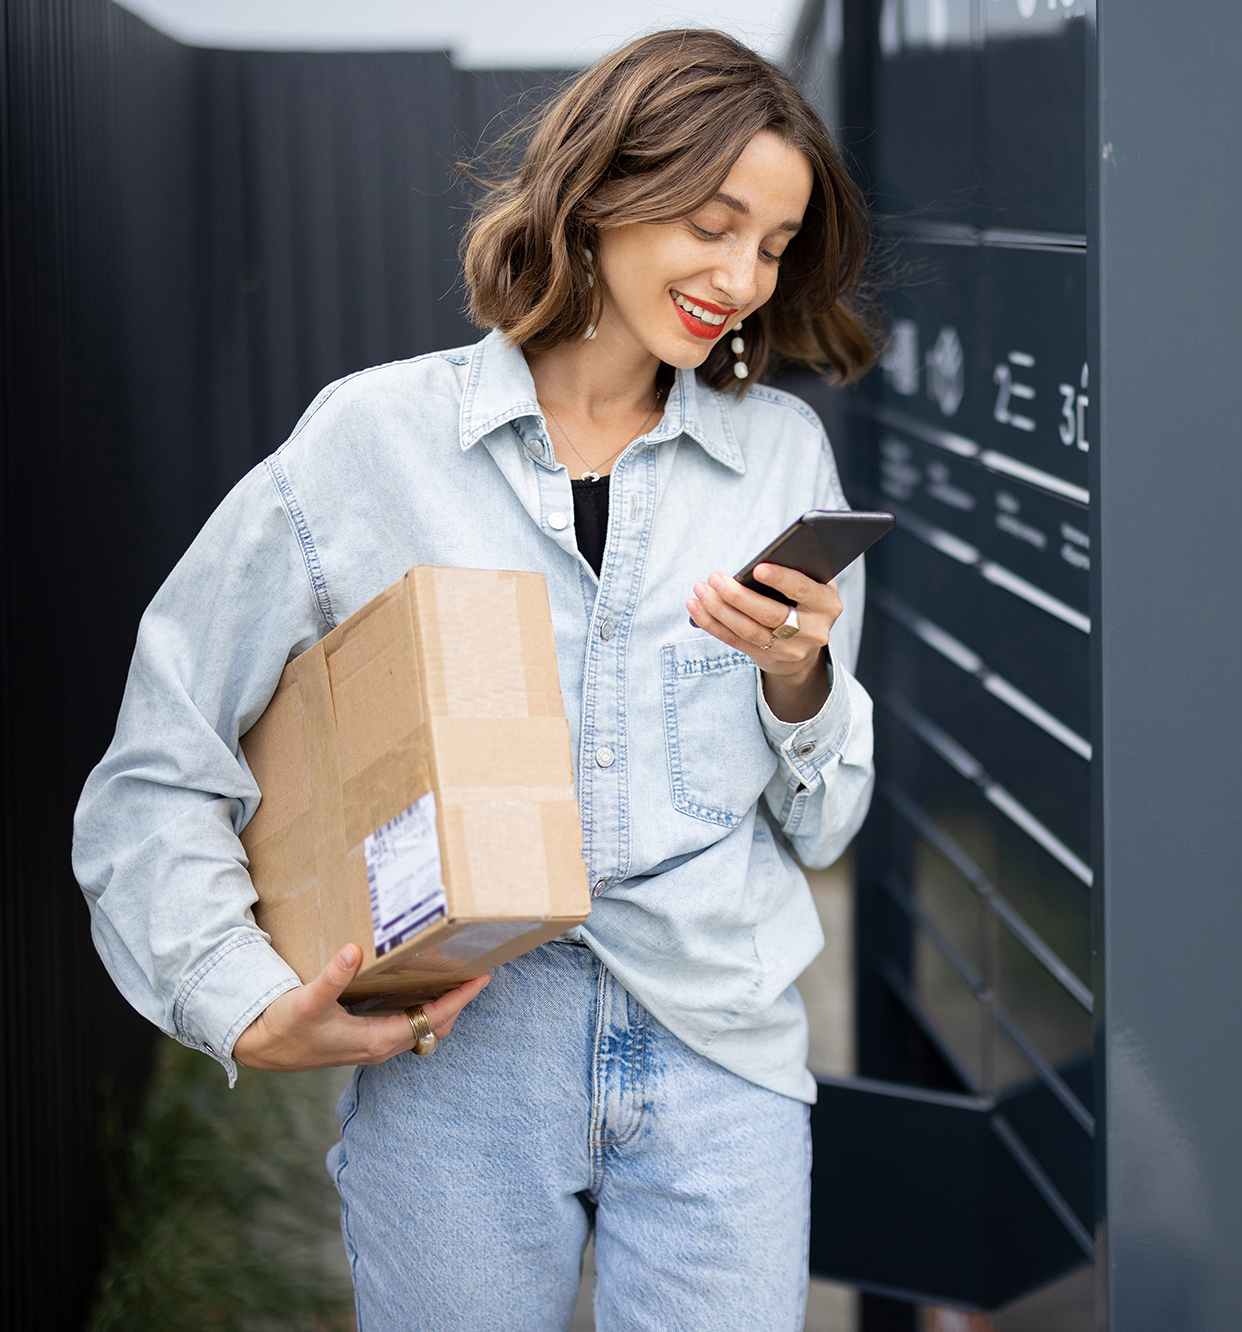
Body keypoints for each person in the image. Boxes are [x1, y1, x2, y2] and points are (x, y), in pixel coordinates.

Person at [72, 29, 876, 1330]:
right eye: (715, 224)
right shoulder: (371, 445)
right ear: (604, 189)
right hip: (460, 1056)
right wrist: (244, 1005)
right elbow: (158, 772)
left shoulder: (783, 460)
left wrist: (801, 681)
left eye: (775, 247)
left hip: (723, 1057)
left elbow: (828, 821)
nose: (741, 278)